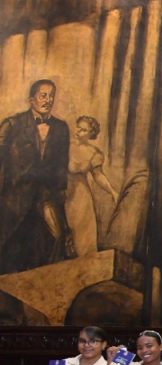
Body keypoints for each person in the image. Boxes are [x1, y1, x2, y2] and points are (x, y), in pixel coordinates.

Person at [0, 79, 75, 274]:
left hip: (46, 195)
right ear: (31, 99)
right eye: (44, 95)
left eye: (51, 96)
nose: (48, 100)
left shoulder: (61, 128)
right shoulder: (12, 124)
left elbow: (61, 166)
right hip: (15, 196)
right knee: (9, 244)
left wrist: (60, 193)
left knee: (57, 237)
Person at [65, 115, 118, 256]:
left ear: (91, 134)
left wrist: (113, 192)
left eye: (83, 130)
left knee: (82, 234)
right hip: (61, 190)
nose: (78, 131)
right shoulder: (63, 144)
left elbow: (98, 176)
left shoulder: (93, 153)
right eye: (78, 127)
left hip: (79, 195)